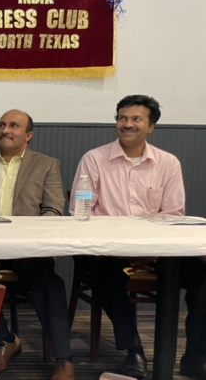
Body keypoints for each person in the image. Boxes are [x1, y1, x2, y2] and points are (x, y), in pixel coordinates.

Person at [70, 94, 206, 380]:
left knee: (203, 271)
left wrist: (149, 250)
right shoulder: (94, 159)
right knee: (106, 272)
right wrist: (119, 246)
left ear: (151, 126)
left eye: (136, 119)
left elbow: (173, 215)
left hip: (157, 252)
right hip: (106, 250)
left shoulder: (168, 163)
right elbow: (81, 213)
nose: (127, 124)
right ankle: (133, 351)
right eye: (122, 118)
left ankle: (195, 357)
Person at [0, 109, 74, 380]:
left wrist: (28, 237)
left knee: (50, 283)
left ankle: (64, 359)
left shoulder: (47, 165)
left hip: (28, 249)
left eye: (13, 125)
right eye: (1, 125)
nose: (5, 130)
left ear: (28, 135)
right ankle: (7, 340)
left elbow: (54, 210)